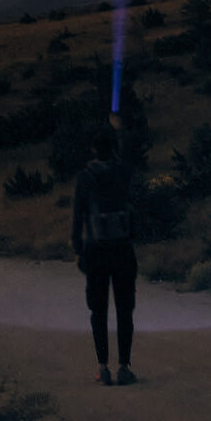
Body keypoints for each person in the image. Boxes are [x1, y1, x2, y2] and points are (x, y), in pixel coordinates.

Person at [71, 125, 137, 385]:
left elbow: (78, 215)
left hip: (96, 252)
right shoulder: (121, 171)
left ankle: (102, 368)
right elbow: (128, 166)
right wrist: (119, 129)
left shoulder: (85, 177)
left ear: (93, 150)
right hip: (122, 250)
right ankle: (124, 367)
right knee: (124, 310)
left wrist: (79, 249)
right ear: (113, 149)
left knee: (98, 311)